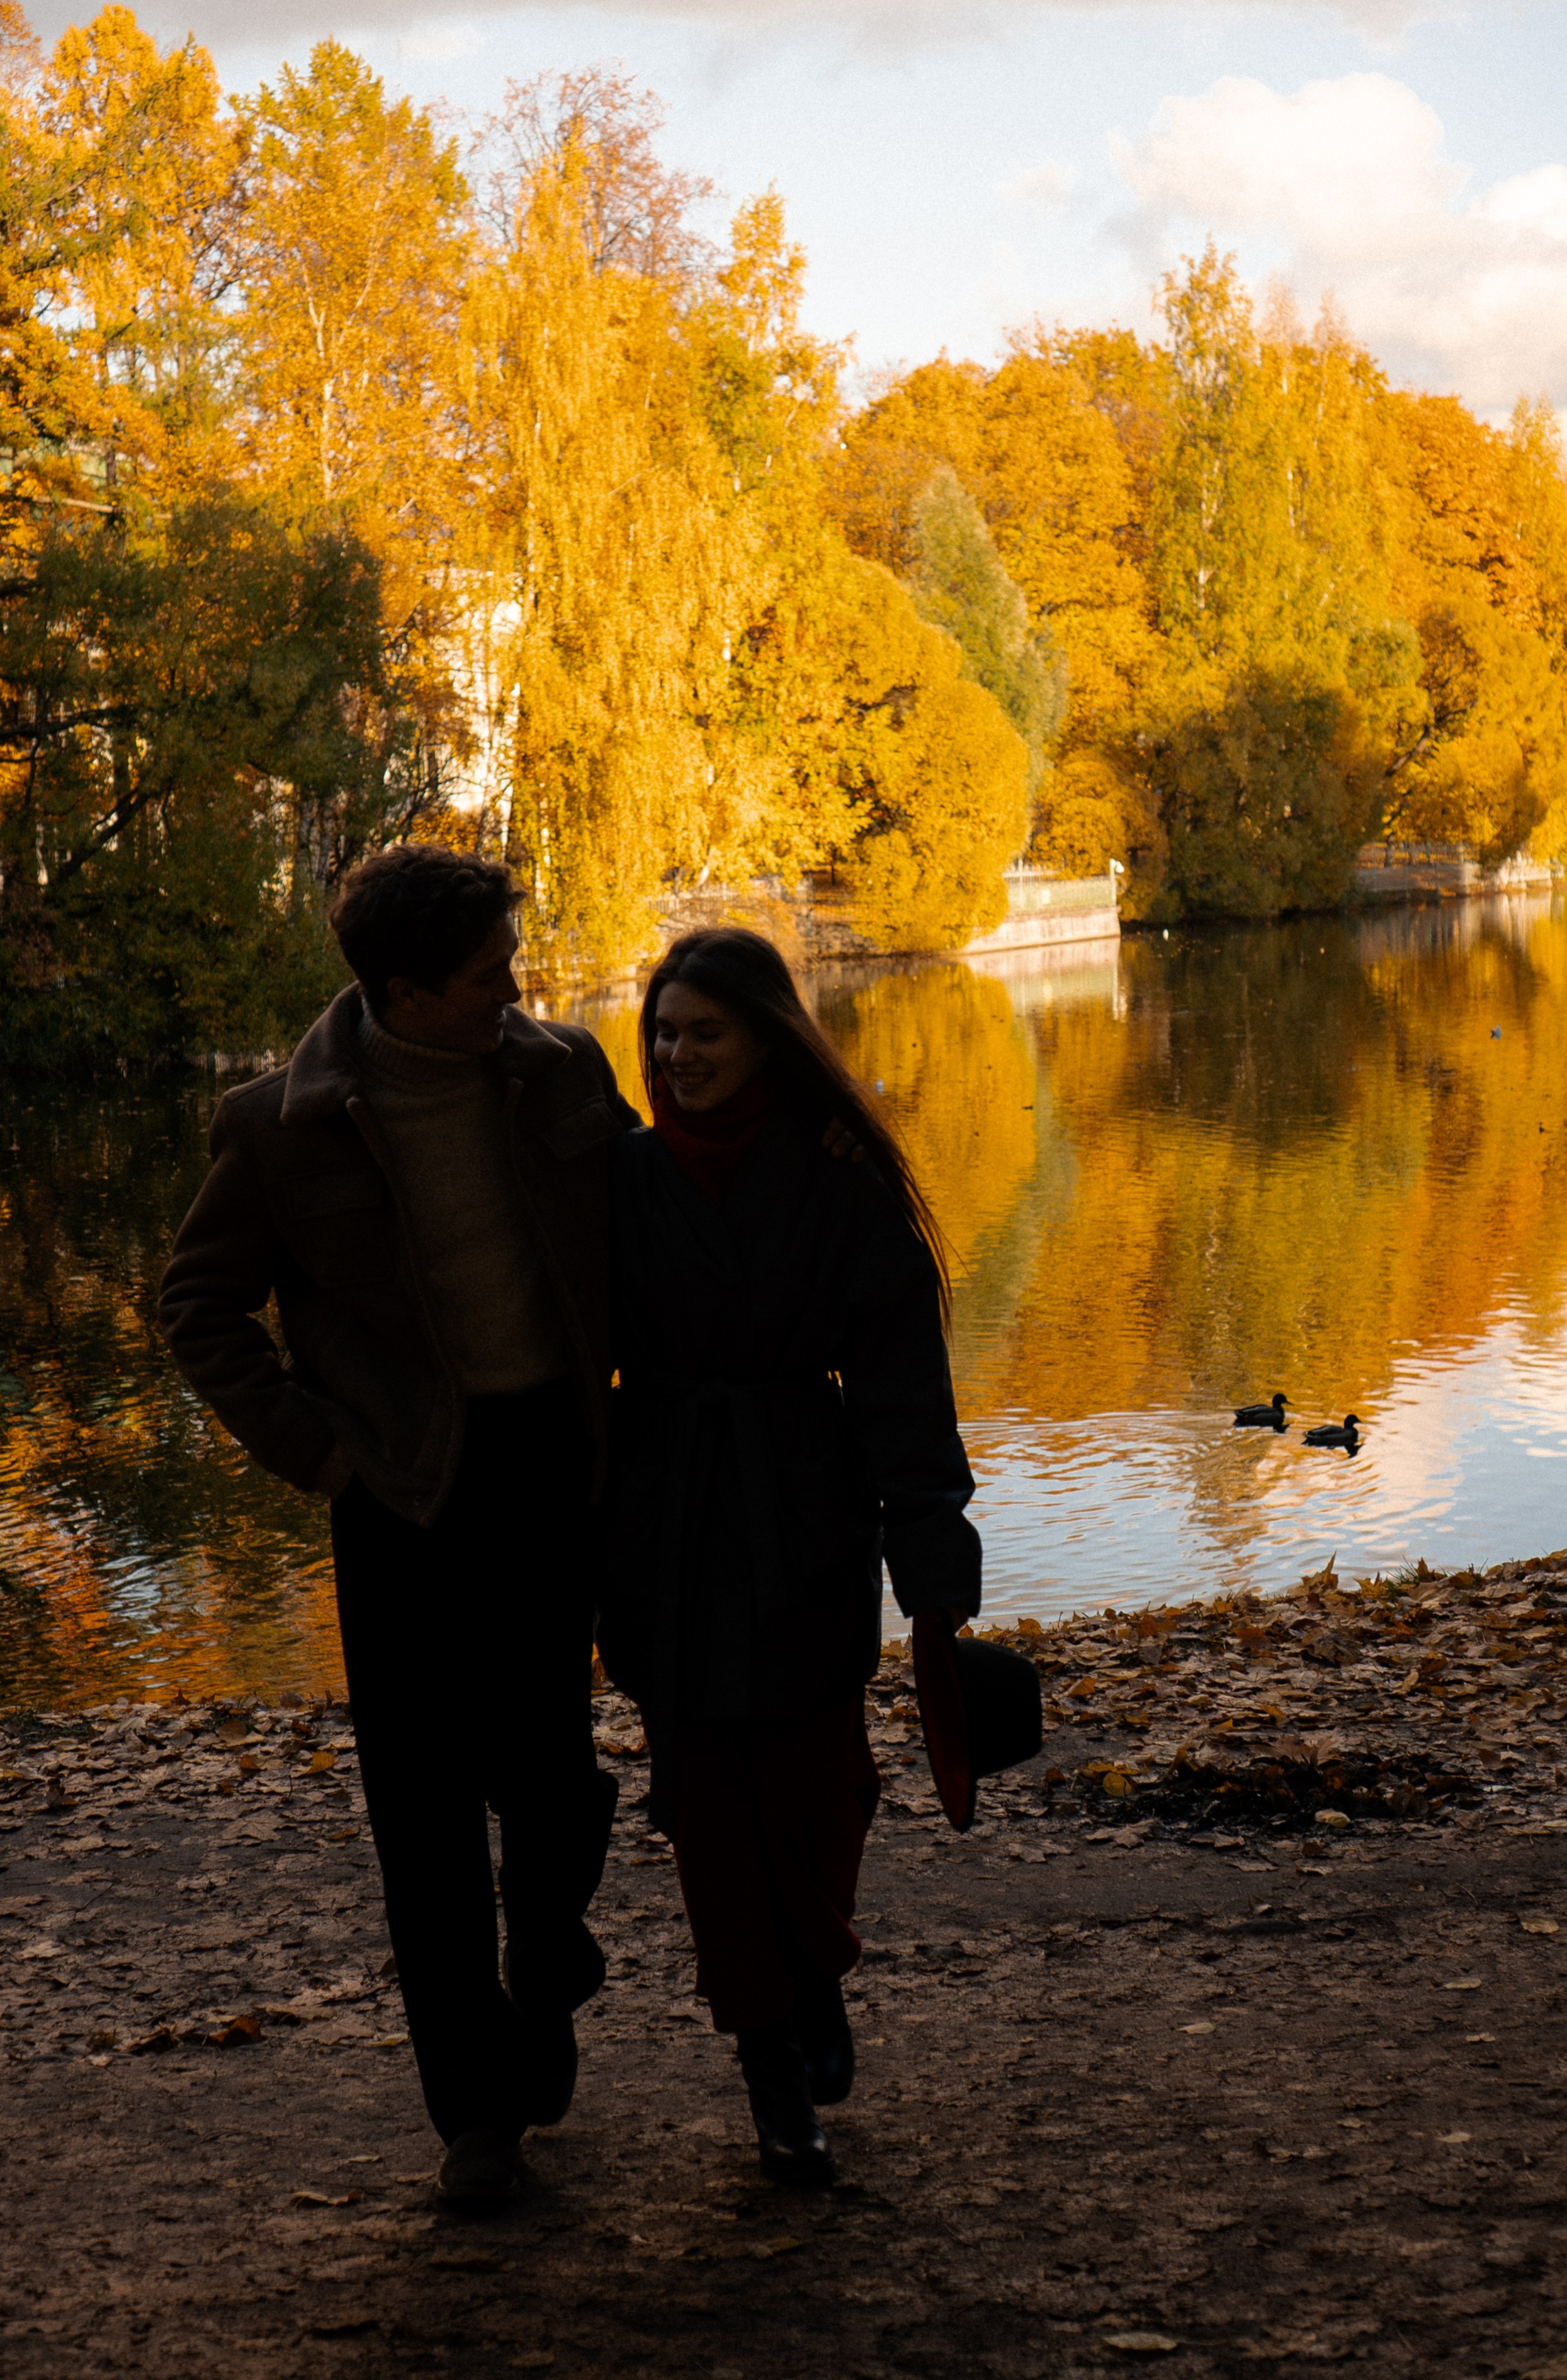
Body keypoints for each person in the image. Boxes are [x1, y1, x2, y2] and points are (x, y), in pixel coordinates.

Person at [158, 845, 636, 2208]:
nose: (515, 991)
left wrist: (811, 1143)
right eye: (487, 977)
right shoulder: (279, 1128)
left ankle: (545, 1956)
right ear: (405, 991)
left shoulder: (563, 1072)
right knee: (423, 1817)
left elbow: (658, 1215)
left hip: (553, 1471)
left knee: (551, 1782)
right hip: (401, 1496)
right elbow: (198, 1309)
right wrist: (318, 1455)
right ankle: (476, 2120)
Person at [597, 927, 981, 2187]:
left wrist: (933, 1566)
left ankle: (813, 1977)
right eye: (663, 1032)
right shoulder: (620, 1178)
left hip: (808, 1515)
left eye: (704, 1031)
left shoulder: (838, 1178)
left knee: (824, 1789)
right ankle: (769, 2061)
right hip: (666, 1528)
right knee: (711, 1806)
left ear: (766, 1036)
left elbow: (900, 1385)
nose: (678, 1054)